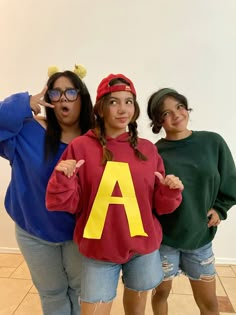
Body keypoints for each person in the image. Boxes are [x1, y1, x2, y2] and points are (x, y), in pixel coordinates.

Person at [46, 74, 184, 315]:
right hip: (99, 249)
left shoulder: (147, 149)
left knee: (136, 309)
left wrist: (169, 191)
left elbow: (160, 207)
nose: (123, 109)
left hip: (142, 248)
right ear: (100, 108)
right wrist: (62, 180)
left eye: (129, 102)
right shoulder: (80, 147)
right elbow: (67, 204)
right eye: (114, 102)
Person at [0, 65, 94, 315]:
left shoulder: (96, 140)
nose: (63, 98)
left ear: (82, 98)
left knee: (79, 290)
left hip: (79, 234)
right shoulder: (27, 131)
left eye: (71, 92)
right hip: (34, 233)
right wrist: (24, 102)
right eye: (55, 92)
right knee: (52, 294)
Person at [147, 87, 236, 315]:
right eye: (166, 112)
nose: (176, 114)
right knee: (161, 294)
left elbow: (230, 181)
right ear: (158, 120)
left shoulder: (213, 142)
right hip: (165, 240)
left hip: (200, 239)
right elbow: (150, 197)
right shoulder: (155, 153)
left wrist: (220, 208)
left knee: (209, 304)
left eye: (179, 106)